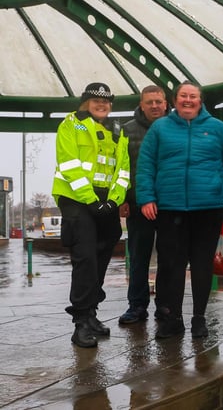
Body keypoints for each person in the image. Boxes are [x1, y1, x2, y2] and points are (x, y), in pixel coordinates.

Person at [136, 81, 223, 339]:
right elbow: (146, 164)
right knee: (172, 265)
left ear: (200, 100)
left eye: (193, 96)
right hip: (171, 208)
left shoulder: (216, 127)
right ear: (175, 100)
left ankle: (199, 319)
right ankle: (173, 319)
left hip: (208, 208)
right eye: (183, 96)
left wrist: (220, 188)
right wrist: (147, 197)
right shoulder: (160, 128)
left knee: (202, 264)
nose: (188, 100)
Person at [52, 82, 130, 348]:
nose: (102, 104)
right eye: (96, 100)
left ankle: (92, 313)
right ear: (85, 101)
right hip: (77, 199)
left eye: (107, 101)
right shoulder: (70, 125)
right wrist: (92, 200)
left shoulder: (118, 130)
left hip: (105, 203)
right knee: (85, 259)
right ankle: (81, 323)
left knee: (101, 258)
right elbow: (70, 165)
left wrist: (113, 201)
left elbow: (123, 172)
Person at [118, 85, 168, 324]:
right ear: (141, 104)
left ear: (166, 103)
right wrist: (123, 200)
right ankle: (137, 305)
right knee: (139, 257)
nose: (155, 106)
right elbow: (121, 168)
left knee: (169, 257)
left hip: (170, 206)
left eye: (158, 101)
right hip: (138, 206)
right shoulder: (126, 131)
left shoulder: (176, 127)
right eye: (150, 102)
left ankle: (165, 305)